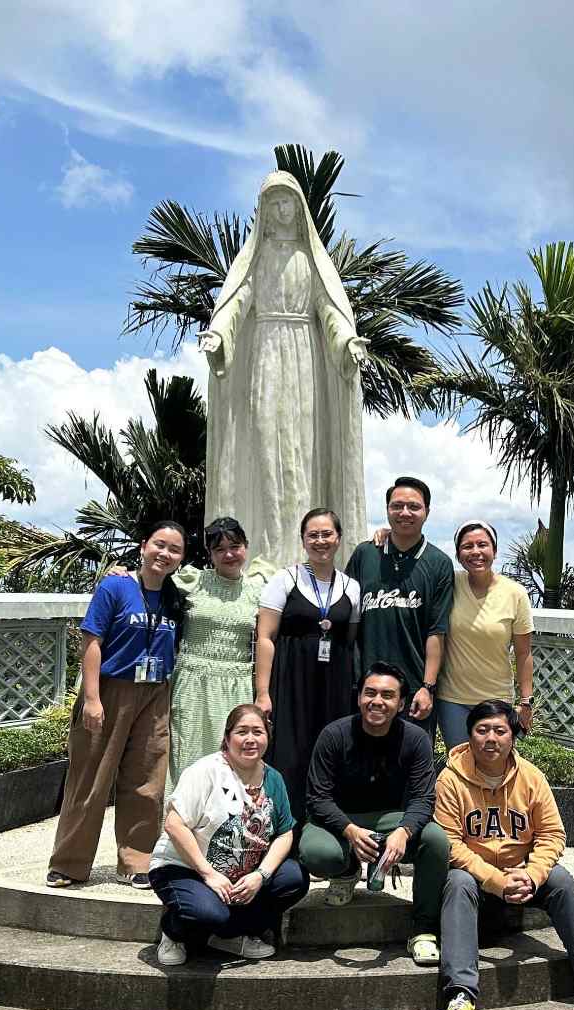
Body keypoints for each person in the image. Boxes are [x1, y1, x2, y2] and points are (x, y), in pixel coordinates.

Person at [433, 699, 574, 1010]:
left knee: (560, 878)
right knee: (456, 880)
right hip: (476, 880)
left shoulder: (531, 777)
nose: (491, 738)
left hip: (523, 876)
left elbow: (552, 834)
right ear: (469, 735)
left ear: (513, 736)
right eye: (481, 730)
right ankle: (460, 993)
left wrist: (532, 874)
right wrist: (496, 880)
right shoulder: (450, 780)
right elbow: (452, 845)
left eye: (500, 731)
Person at [198, 170, 370, 568]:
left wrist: (347, 342)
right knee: (263, 443)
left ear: (298, 209)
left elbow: (331, 311)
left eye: (287, 201)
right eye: (273, 202)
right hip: (264, 356)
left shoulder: (312, 264)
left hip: (305, 362)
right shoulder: (254, 264)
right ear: (264, 212)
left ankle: (303, 550)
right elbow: (235, 303)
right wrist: (218, 336)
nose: (280, 208)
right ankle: (267, 549)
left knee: (302, 450)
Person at [47, 520, 188, 889]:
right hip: (111, 689)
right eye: (160, 544)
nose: (165, 554)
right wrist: (92, 698)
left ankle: (136, 861)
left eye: (175, 550)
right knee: (90, 779)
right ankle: (69, 863)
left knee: (146, 782)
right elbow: (91, 641)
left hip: (155, 692)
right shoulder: (115, 586)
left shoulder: (175, 597)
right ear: (144, 546)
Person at [299, 661, 450, 967]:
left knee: (435, 839)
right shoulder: (334, 735)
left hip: (389, 819)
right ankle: (346, 871)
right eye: (370, 693)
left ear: (401, 703)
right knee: (317, 852)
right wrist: (350, 830)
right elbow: (318, 798)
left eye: (387, 695)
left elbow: (424, 797)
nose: (377, 701)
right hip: (338, 820)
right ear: (359, 697)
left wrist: (404, 831)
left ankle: (424, 929)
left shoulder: (416, 738)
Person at [148, 704, 310, 964]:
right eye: (241, 732)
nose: (250, 739)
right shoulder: (206, 771)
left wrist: (261, 875)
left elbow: (284, 833)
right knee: (210, 913)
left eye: (258, 732)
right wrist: (208, 874)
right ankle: (173, 930)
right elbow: (174, 825)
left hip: (239, 876)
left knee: (293, 877)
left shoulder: (274, 779)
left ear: (267, 736)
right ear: (227, 738)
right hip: (187, 868)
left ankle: (229, 936)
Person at [254, 507, 362, 823]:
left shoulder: (351, 587)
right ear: (303, 540)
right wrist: (263, 692)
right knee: (291, 754)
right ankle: (289, 830)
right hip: (291, 683)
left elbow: (350, 638)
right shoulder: (284, 579)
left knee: (332, 754)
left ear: (338, 539)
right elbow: (266, 637)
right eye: (312, 535)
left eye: (326, 534)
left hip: (335, 686)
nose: (320, 541)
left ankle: (328, 826)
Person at [168, 516, 273, 793]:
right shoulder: (192, 582)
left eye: (235, 546)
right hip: (192, 684)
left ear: (246, 547)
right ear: (210, 553)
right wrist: (123, 572)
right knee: (186, 757)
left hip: (236, 686)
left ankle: (229, 831)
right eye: (219, 549)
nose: (228, 554)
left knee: (233, 758)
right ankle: (178, 829)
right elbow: (150, 581)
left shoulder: (260, 590)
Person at [345, 476, 454, 729]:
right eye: (397, 506)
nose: (405, 512)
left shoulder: (439, 563)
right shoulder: (365, 554)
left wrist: (427, 687)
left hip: (413, 690)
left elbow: (437, 632)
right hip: (366, 687)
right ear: (387, 510)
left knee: (410, 762)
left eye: (414, 506)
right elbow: (347, 612)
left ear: (427, 511)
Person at [436, 521, 535, 750]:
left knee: (495, 765)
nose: (476, 552)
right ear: (458, 554)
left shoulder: (515, 594)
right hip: (452, 699)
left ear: (495, 550)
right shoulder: (449, 583)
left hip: (496, 700)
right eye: (467, 546)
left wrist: (525, 702)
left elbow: (523, 653)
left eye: (482, 544)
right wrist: (388, 535)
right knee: (461, 765)